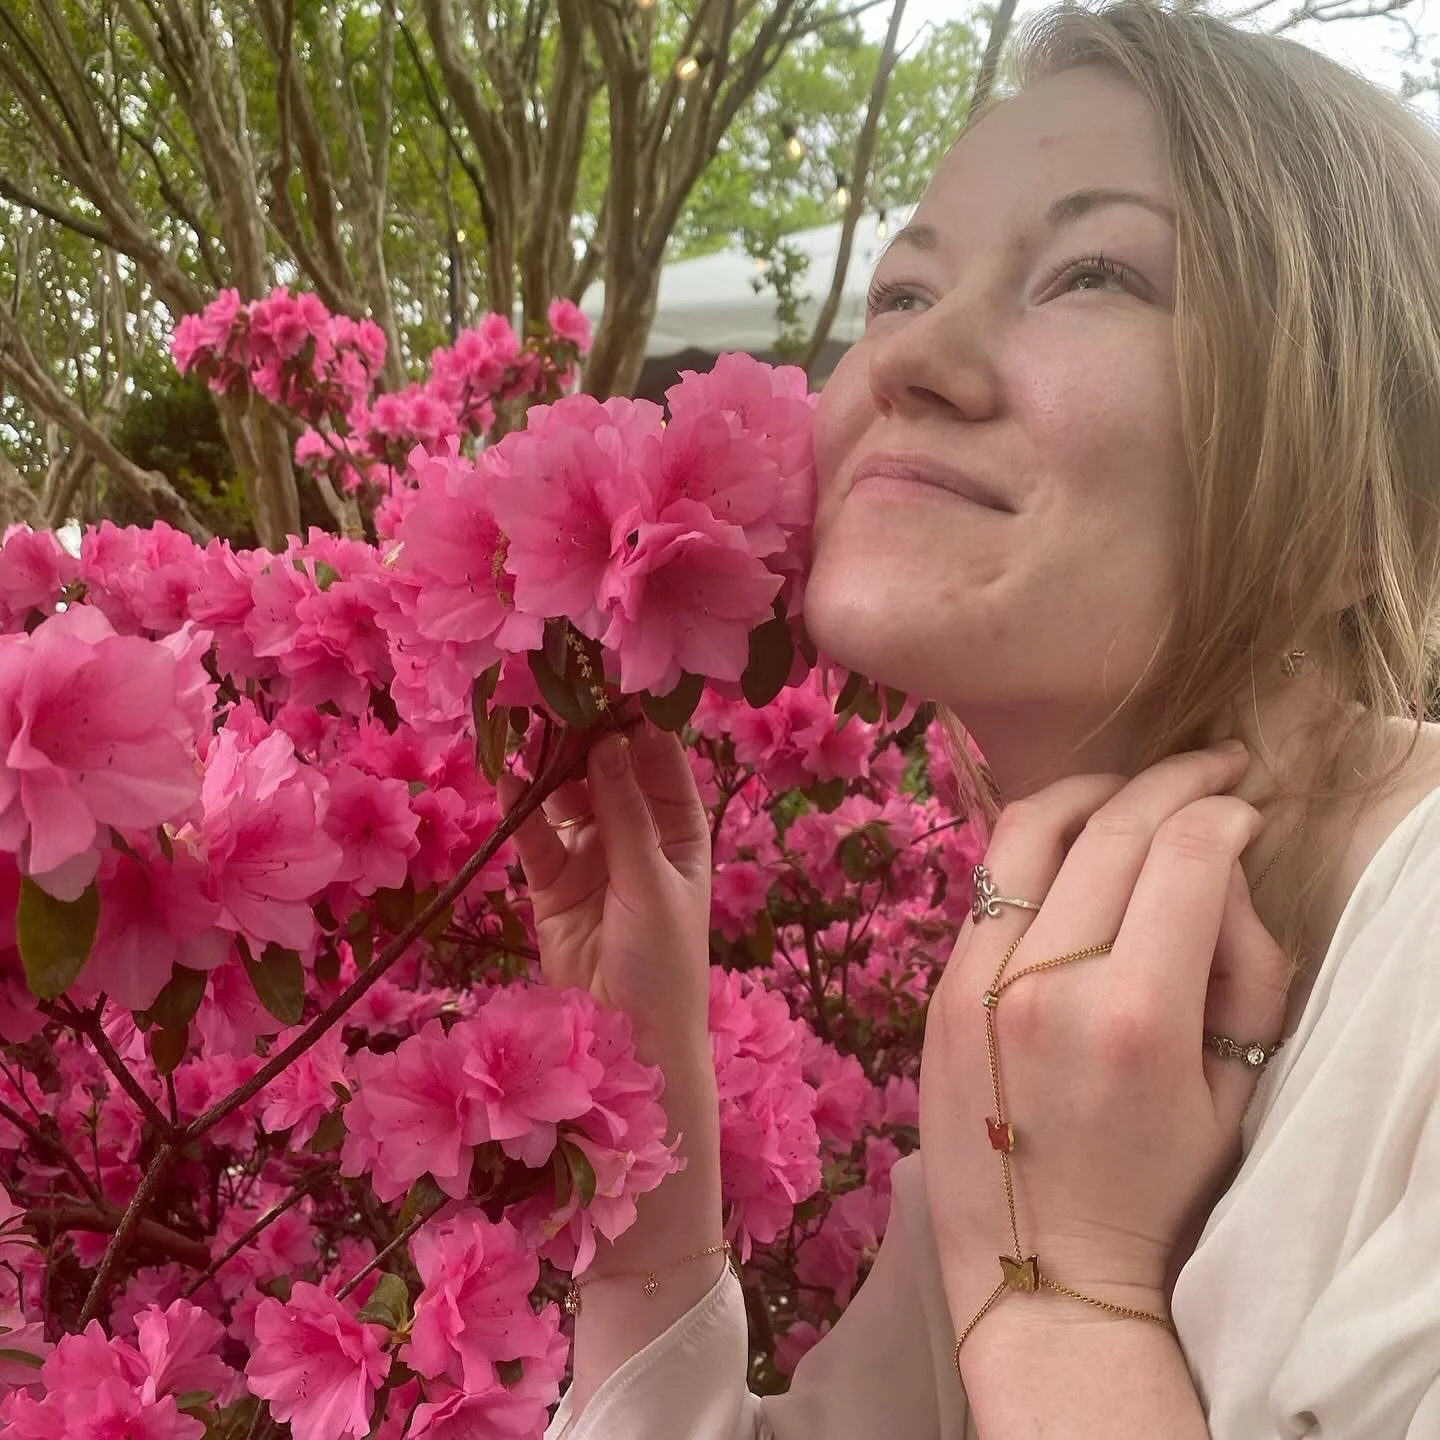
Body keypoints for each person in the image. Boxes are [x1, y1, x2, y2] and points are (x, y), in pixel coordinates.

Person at [506, 3, 1440, 1434]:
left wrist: (1067, 1300)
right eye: (899, 292)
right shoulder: (1062, 1017)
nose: (910, 364)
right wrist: (649, 1108)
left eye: (1094, 274)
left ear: (1359, 494)